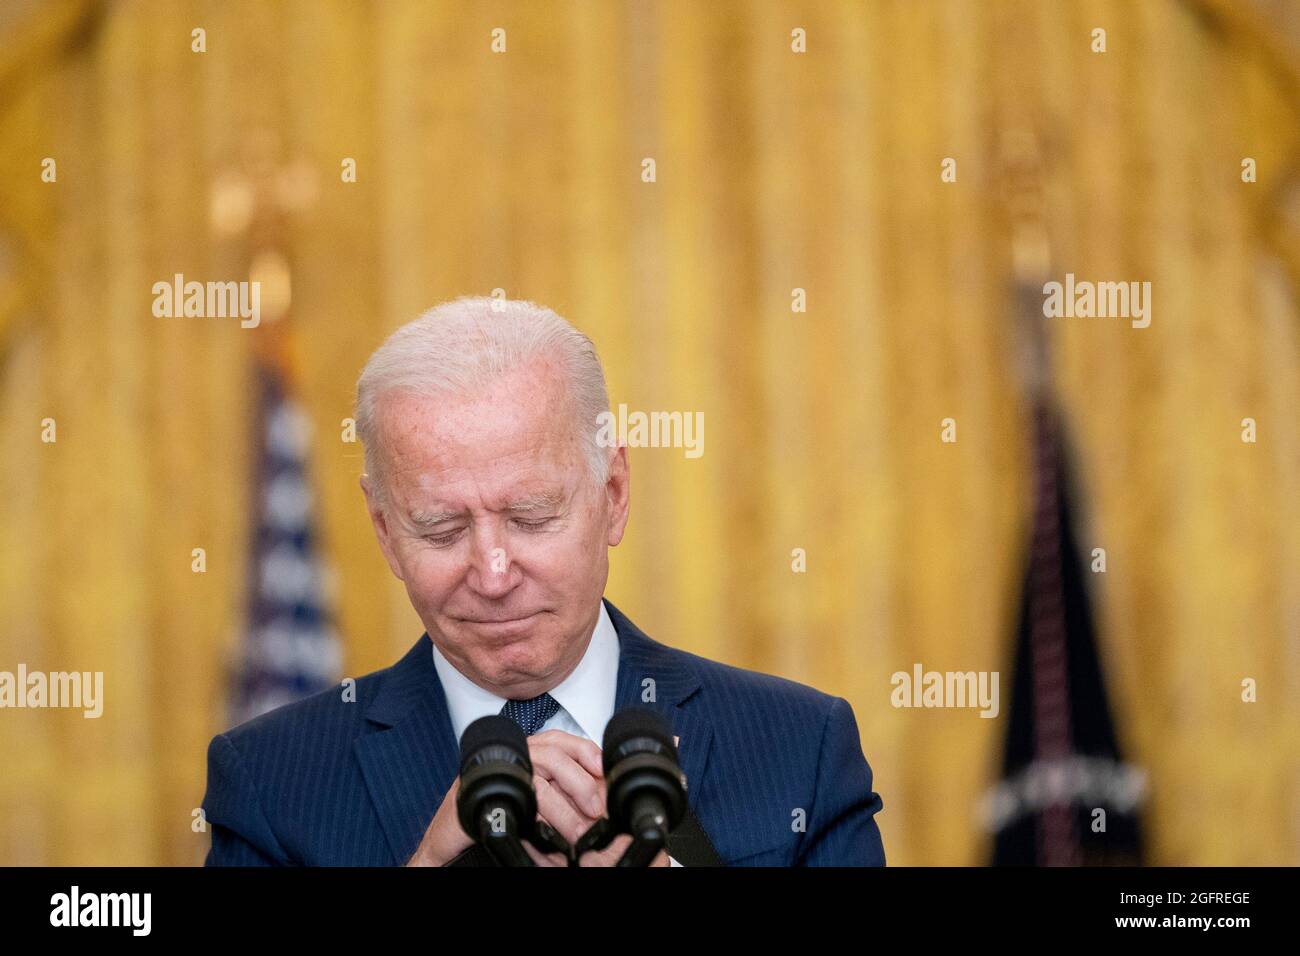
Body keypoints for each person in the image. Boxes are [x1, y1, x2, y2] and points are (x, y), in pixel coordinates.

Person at [202, 296, 885, 866]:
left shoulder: (800, 750)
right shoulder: (271, 784)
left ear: (613, 493)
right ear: (384, 529)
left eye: (530, 518)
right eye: (442, 530)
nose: (493, 575)